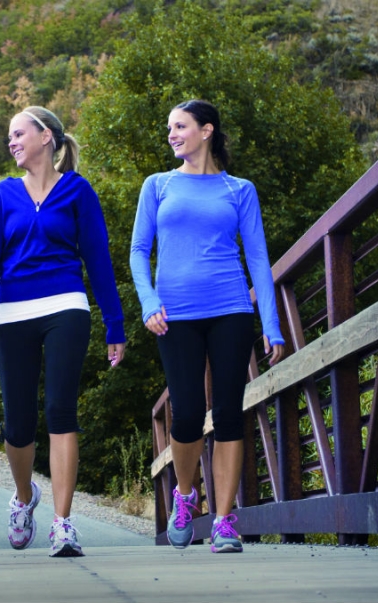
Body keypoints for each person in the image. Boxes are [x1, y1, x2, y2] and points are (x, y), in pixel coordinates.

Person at [129, 100, 285, 553]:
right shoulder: (157, 186)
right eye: (170, 128)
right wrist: (149, 301)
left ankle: (223, 521)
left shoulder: (239, 190)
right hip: (174, 314)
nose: (172, 134)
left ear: (206, 130)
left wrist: (271, 325)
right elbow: (139, 251)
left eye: (180, 126)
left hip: (230, 308)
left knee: (231, 411)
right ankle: (185, 495)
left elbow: (257, 258)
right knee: (189, 412)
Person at [0, 106, 126, 557]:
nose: (12, 142)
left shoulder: (77, 191)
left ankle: (63, 523)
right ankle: (23, 497)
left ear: (46, 137)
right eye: (9, 136)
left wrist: (114, 324)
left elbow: (98, 261)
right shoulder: (3, 194)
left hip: (66, 305)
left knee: (61, 409)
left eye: (19, 133)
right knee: (17, 422)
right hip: (13, 310)